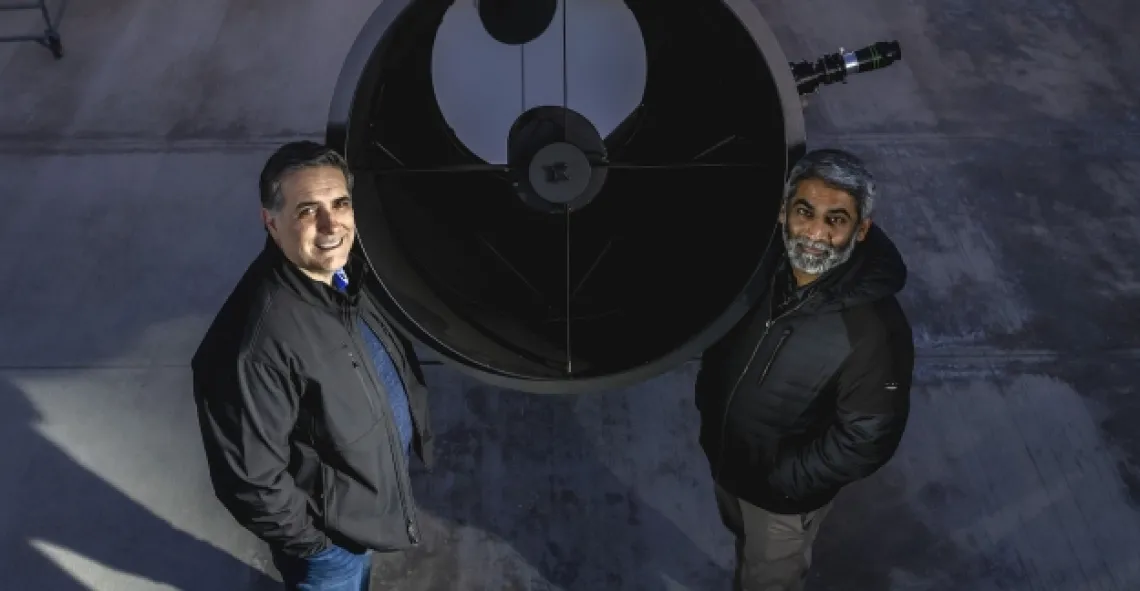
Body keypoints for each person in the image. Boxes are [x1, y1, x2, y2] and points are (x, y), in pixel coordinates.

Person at [191, 141, 433, 591]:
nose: (331, 225)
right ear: (270, 221)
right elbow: (250, 481)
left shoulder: (343, 273)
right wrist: (314, 543)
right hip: (329, 542)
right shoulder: (255, 343)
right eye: (307, 210)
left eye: (340, 203)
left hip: (360, 514)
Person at [694, 149, 915, 591]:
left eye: (836, 220)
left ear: (861, 229)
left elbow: (868, 438)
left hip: (780, 502)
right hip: (726, 462)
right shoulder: (759, 268)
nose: (815, 232)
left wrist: (783, 483)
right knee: (744, 547)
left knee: (768, 579)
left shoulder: (875, 332)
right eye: (804, 211)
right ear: (783, 212)